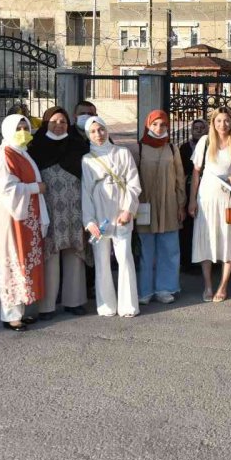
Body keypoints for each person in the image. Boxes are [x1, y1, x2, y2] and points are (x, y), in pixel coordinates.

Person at [0, 114, 49, 331]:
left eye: (25, 127)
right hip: (9, 216)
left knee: (23, 263)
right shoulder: (2, 156)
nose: (23, 132)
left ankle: (19, 312)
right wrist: (35, 188)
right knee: (11, 263)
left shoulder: (20, 152)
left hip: (25, 216)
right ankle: (10, 315)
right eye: (18, 128)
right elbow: (7, 189)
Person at [27, 106, 88, 319]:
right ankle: (47, 306)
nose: (59, 125)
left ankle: (74, 301)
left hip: (74, 207)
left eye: (63, 121)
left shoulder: (78, 144)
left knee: (74, 251)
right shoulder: (35, 147)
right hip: (49, 207)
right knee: (50, 254)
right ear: (46, 123)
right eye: (54, 121)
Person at [81, 116, 142, 318]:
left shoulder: (122, 153)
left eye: (101, 130)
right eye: (93, 131)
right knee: (101, 260)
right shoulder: (87, 159)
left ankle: (128, 305)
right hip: (100, 213)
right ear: (88, 134)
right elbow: (86, 192)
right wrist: (89, 221)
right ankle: (106, 305)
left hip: (120, 212)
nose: (98, 135)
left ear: (107, 130)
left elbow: (134, 184)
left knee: (125, 257)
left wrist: (128, 210)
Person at [189, 107, 231, 303]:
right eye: (219, 121)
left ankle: (223, 285)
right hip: (206, 198)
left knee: (228, 240)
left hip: (228, 198)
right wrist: (191, 201)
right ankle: (208, 285)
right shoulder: (205, 142)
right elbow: (196, 172)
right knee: (207, 240)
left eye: (227, 120)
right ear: (213, 123)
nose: (223, 124)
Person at [135, 110, 186, 306]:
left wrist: (181, 204)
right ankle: (145, 290)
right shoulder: (139, 148)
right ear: (148, 125)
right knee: (146, 250)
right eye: (154, 124)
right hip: (145, 205)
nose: (159, 128)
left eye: (163, 125)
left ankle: (166, 288)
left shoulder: (172, 149)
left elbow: (180, 179)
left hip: (169, 204)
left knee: (169, 248)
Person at [179, 118, 207, 272]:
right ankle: (188, 261)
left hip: (208, 187)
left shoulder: (211, 145)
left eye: (201, 127)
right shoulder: (184, 147)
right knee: (189, 227)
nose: (198, 130)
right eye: (195, 127)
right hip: (190, 186)